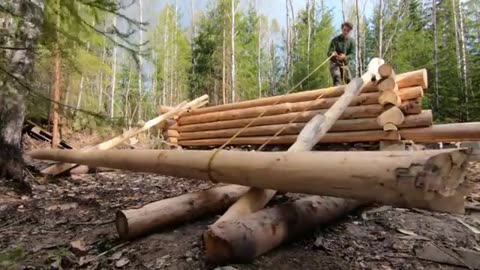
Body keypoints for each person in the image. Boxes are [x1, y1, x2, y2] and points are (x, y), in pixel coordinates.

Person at [327, 22, 355, 86]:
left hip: (345, 64)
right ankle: (337, 93)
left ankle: (350, 95)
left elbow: (352, 54)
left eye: (348, 30)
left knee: (349, 79)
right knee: (337, 77)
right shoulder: (335, 40)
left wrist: (345, 57)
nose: (346, 32)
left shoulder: (352, 42)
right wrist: (334, 54)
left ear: (350, 31)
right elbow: (329, 52)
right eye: (344, 30)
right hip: (335, 63)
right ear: (342, 29)